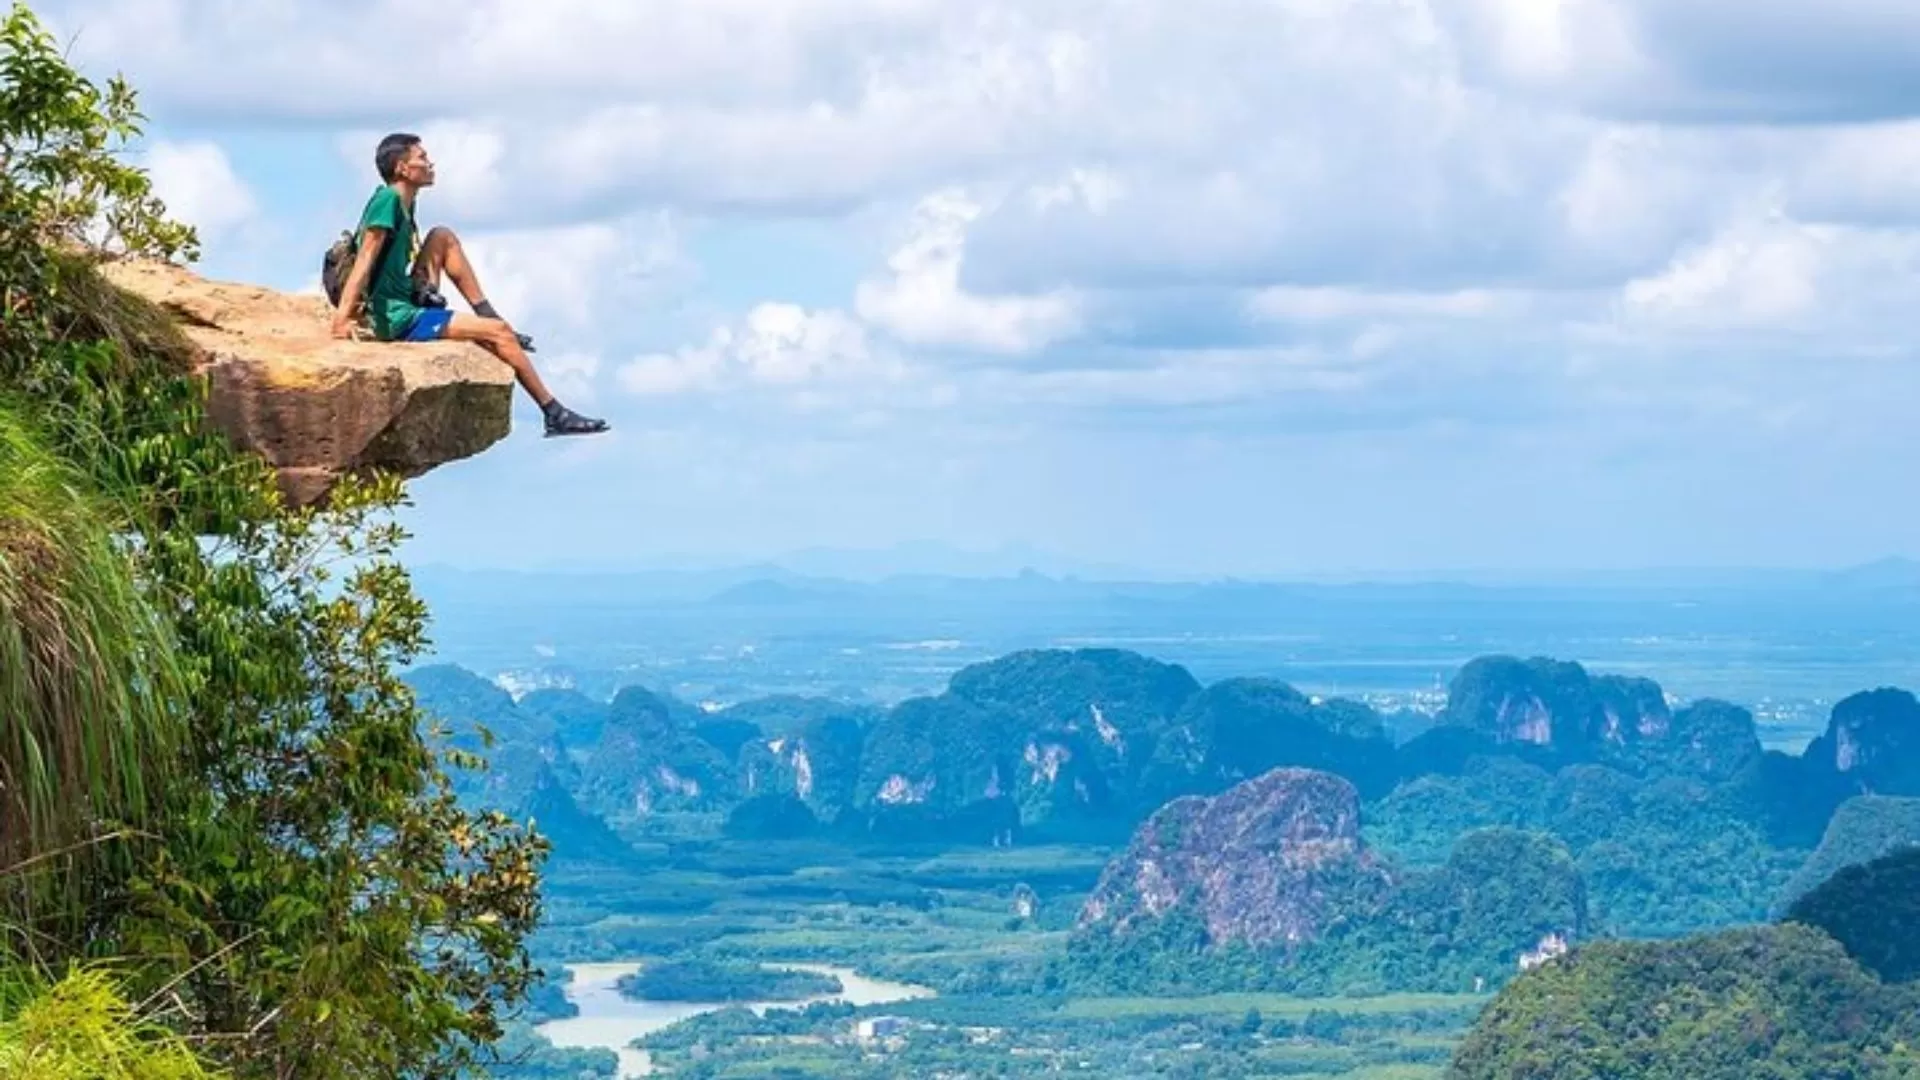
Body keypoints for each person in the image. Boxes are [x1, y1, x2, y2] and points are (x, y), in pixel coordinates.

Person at [330, 133, 607, 437]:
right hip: (396, 317)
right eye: (421, 158)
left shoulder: (406, 203)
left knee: (441, 236)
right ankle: (553, 413)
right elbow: (366, 257)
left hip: (404, 297)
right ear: (402, 168)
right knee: (498, 335)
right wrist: (342, 319)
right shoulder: (388, 200)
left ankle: (488, 314)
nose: (430, 163)